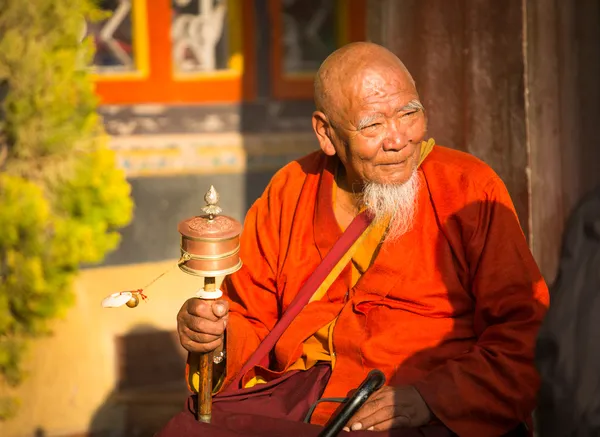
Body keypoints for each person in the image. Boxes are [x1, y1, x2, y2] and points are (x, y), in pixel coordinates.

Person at [162, 42, 550, 437]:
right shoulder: (291, 190)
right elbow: (248, 314)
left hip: (426, 415)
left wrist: (430, 398)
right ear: (326, 134)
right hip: (300, 409)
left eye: (409, 113)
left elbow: (525, 333)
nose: (398, 140)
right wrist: (214, 338)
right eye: (372, 125)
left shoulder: (468, 189)